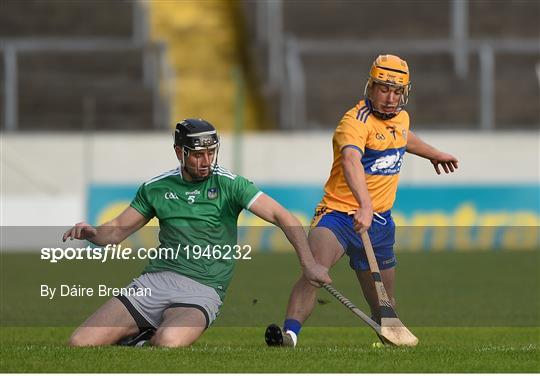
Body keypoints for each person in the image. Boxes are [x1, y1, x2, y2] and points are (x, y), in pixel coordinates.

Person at [63, 118, 331, 348]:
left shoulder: (230, 184)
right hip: (154, 282)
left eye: (211, 153)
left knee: (169, 341)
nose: (206, 161)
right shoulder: (156, 188)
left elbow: (282, 216)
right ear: (180, 152)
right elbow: (115, 232)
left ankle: (142, 335)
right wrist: (93, 233)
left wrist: (308, 263)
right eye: (197, 154)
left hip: (203, 289)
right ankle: (141, 333)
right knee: (80, 342)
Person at [265, 54, 459, 347]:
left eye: (397, 91)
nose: (391, 98)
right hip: (339, 215)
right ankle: (289, 336)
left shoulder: (401, 118)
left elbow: (403, 136)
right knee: (314, 270)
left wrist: (433, 153)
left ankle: (386, 338)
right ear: (370, 87)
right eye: (384, 89)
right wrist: (364, 206)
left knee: (385, 303)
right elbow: (351, 161)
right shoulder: (354, 123)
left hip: (379, 222)